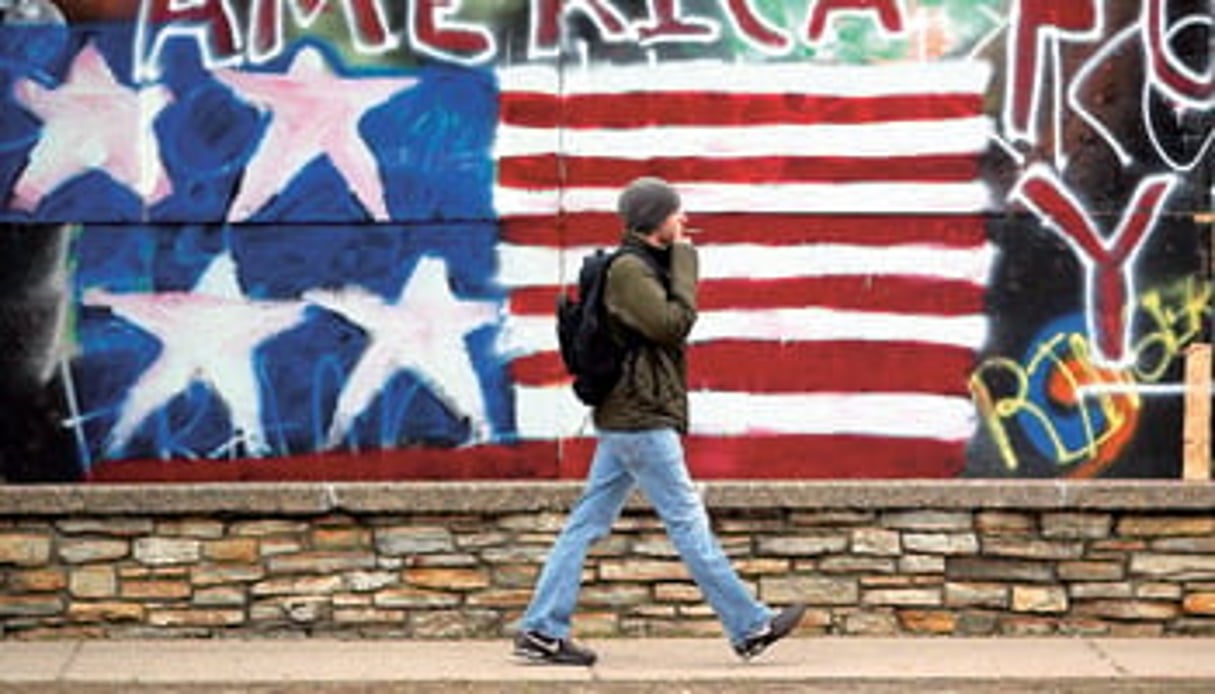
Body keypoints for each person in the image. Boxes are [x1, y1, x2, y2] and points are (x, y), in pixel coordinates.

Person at [512, 177, 807, 666]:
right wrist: (688, 262)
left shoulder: (639, 265)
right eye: (677, 214)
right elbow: (672, 324)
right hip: (641, 417)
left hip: (629, 415)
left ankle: (541, 629)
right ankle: (749, 625)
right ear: (656, 221)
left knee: (586, 523)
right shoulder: (629, 270)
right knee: (687, 520)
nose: (684, 221)